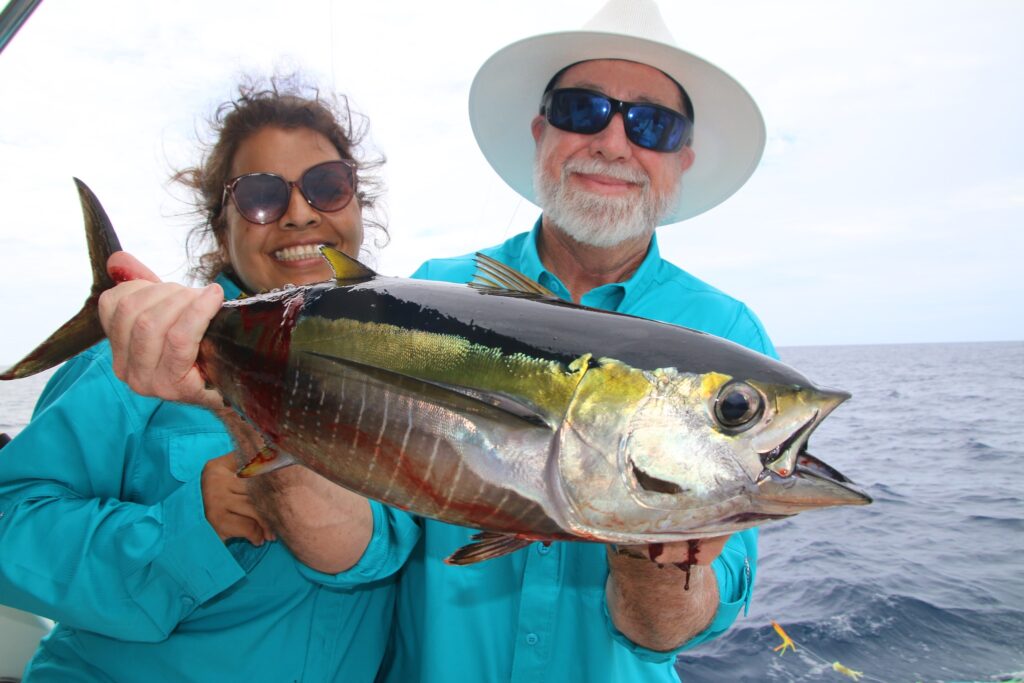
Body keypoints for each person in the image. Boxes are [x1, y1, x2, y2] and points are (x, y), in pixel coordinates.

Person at [97, 0, 777, 680]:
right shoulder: (428, 292)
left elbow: (670, 629)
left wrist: (651, 539)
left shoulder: (724, 337)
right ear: (541, 133)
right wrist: (233, 399)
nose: (615, 142)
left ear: (681, 159)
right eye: (582, 111)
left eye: (653, 124)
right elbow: (360, 549)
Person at [0, 77, 417, 682]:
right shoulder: (145, 351)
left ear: (357, 206)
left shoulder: (403, 370)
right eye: (261, 196)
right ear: (222, 227)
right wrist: (182, 527)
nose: (300, 214)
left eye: (327, 186)